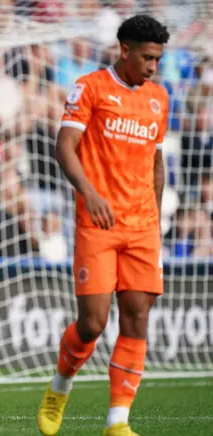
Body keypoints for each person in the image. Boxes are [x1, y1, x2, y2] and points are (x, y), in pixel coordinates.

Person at [37, 15, 170, 436]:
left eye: (158, 59)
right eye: (147, 57)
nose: (152, 67)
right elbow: (64, 147)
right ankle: (60, 385)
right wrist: (90, 194)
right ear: (124, 50)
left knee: (136, 319)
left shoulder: (159, 98)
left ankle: (117, 423)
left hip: (143, 226)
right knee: (92, 323)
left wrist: (156, 216)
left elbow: (157, 161)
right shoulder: (90, 87)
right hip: (97, 223)